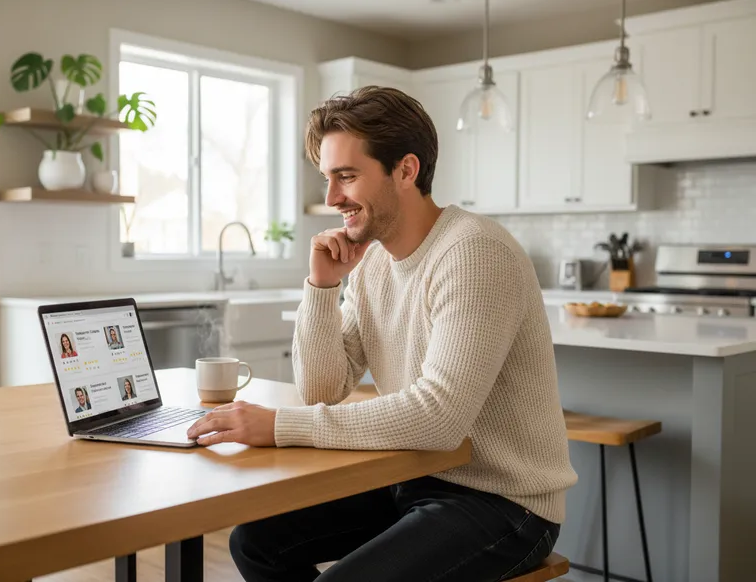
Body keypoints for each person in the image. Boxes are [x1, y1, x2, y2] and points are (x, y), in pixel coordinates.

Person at [186, 86, 577, 582]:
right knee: (255, 541)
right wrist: (323, 287)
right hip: (410, 477)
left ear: (406, 170)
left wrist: (280, 426)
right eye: (328, 178)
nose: (331, 199)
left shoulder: (475, 253)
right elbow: (323, 390)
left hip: (504, 502)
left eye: (346, 177)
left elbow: (438, 418)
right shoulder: (373, 264)